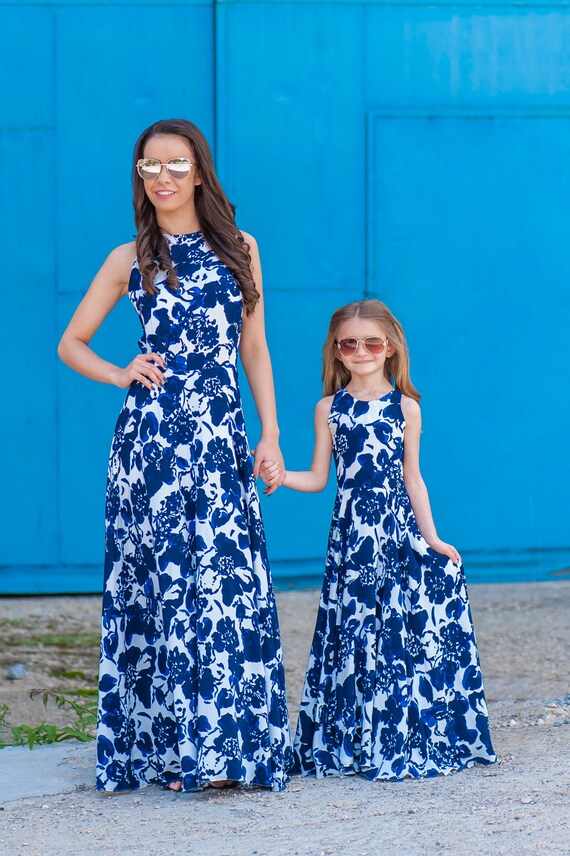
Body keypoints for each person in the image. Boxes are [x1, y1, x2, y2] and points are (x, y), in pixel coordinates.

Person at [58, 118, 293, 793]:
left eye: (174, 164)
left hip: (220, 439)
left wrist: (270, 435)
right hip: (153, 445)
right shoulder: (130, 257)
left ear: (199, 170)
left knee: (224, 586)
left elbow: (254, 349)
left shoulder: (241, 249)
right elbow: (71, 342)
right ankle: (173, 752)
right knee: (164, 588)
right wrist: (119, 372)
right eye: (148, 167)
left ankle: (225, 748)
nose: (161, 177)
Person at [261, 299, 496, 780]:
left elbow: (414, 479)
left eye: (371, 342)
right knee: (351, 629)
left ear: (389, 348)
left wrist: (432, 537)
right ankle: (351, 737)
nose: (361, 351)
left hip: (394, 534)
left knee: (393, 632)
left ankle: (394, 731)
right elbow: (320, 477)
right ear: (337, 352)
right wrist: (281, 476)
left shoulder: (405, 408)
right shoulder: (328, 408)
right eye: (350, 343)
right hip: (350, 541)